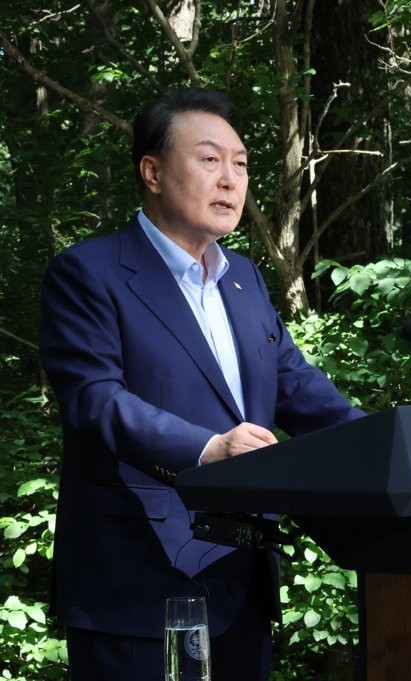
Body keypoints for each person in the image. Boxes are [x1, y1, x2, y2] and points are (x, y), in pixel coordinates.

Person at [38, 87, 364, 681]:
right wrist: (209, 449)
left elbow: (299, 388)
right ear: (153, 171)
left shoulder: (243, 279)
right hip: (140, 580)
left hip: (241, 577)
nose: (231, 179)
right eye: (210, 160)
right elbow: (94, 400)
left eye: (240, 164)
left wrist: (390, 446)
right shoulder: (89, 273)